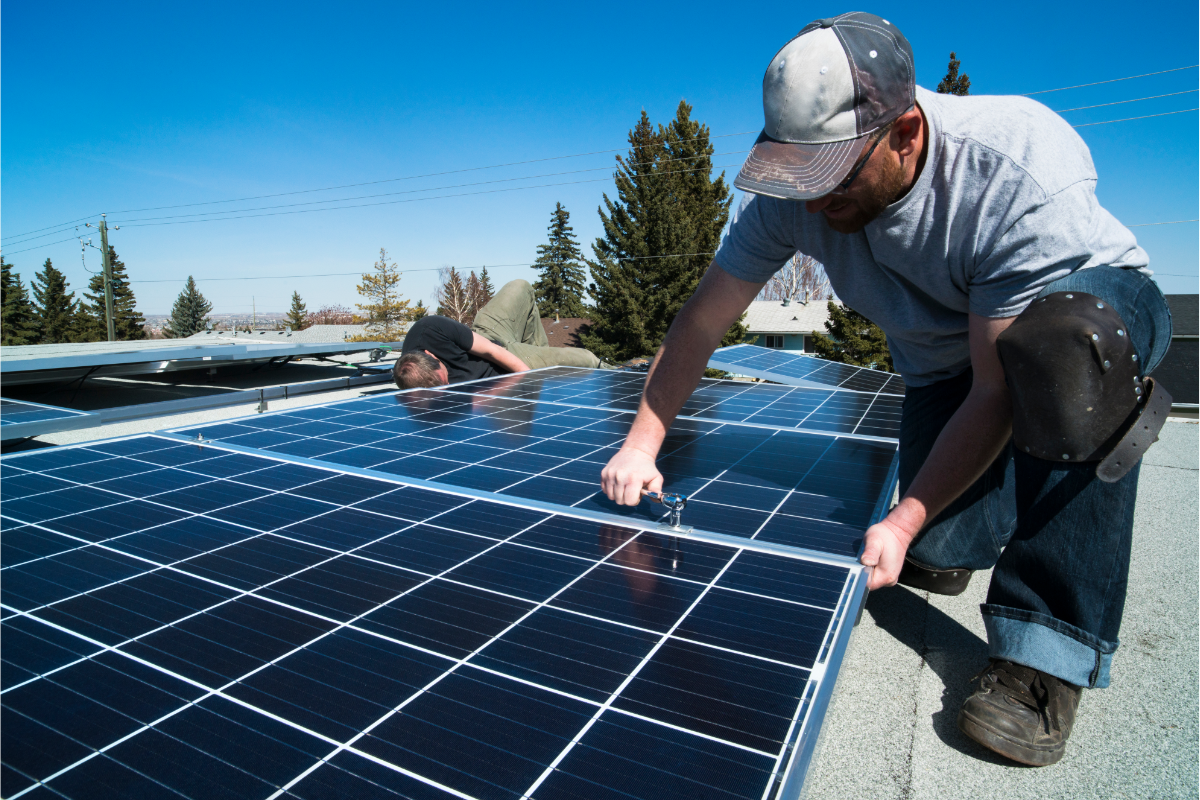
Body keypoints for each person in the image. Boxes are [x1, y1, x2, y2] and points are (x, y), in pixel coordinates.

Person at [599, 12, 1172, 767]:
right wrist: (642, 443)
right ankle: (974, 514)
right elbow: (702, 321)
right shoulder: (791, 196)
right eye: (798, 176)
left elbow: (998, 388)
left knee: (1062, 358)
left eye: (831, 177)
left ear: (904, 133)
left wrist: (899, 521)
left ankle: (1047, 655)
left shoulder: (1012, 160)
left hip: (1083, 324)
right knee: (938, 547)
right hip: (946, 362)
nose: (811, 204)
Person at [393, 279, 608, 388]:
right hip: (500, 375)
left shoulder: (431, 328)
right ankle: (625, 371)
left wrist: (532, 382)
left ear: (430, 355)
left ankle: (538, 354)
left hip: (491, 342)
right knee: (585, 359)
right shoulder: (418, 387)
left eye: (444, 377)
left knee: (521, 286)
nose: (448, 385)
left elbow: (492, 351)